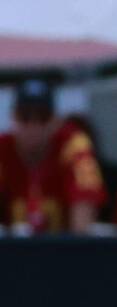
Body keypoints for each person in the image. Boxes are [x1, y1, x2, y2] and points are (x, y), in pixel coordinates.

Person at [0, 78, 105, 233]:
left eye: (43, 117)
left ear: (55, 121)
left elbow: (83, 224)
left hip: (63, 252)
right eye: (25, 117)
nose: (33, 126)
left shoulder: (72, 145)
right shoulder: (3, 149)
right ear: (13, 119)